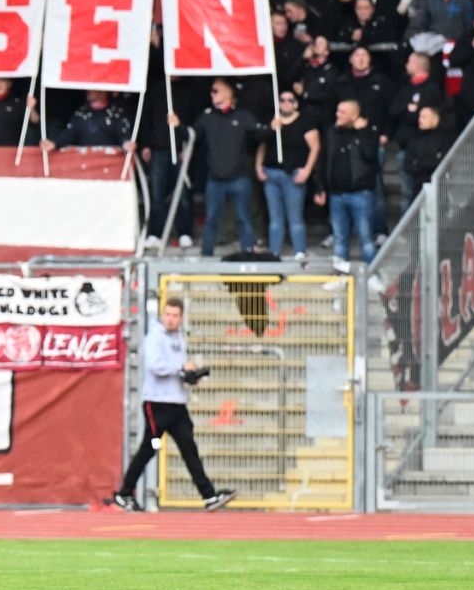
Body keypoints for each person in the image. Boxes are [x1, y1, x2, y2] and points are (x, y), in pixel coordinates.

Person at [109, 297, 235, 512]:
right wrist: (181, 367)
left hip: (177, 405)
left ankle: (208, 495)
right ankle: (124, 493)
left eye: (175, 315)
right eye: (168, 314)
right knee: (149, 448)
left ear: (181, 317)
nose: (171, 319)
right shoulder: (154, 337)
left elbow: (177, 370)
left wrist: (190, 375)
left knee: (189, 449)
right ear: (162, 315)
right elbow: (156, 366)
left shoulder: (178, 338)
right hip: (157, 405)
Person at [176, 78, 260, 256]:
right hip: (215, 179)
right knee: (211, 219)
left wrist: (273, 128)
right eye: (212, 91)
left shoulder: (243, 116)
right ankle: (206, 255)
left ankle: (248, 253)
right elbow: (192, 135)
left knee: (244, 218)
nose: (212, 94)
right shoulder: (207, 116)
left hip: (239, 178)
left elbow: (259, 135)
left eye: (216, 90)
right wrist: (178, 126)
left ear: (229, 92)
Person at [318, 97, 382, 270]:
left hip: (360, 194)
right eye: (337, 111)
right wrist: (320, 186)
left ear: (354, 115)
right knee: (339, 238)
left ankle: (371, 274)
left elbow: (370, 155)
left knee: (365, 238)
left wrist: (362, 132)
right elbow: (323, 160)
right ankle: (341, 274)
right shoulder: (332, 132)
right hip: (336, 194)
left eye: (342, 112)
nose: (337, 114)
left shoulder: (368, 131)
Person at [257, 90, 321, 259]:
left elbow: (315, 147)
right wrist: (258, 167)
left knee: (295, 217)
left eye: (290, 100)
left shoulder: (305, 121)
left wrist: (307, 170)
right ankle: (274, 252)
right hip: (271, 173)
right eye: (282, 100)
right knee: (275, 218)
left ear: (295, 103)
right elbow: (263, 145)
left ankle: (299, 251)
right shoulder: (272, 121)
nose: (286, 103)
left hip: (293, 174)